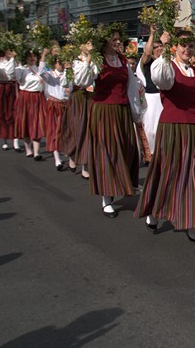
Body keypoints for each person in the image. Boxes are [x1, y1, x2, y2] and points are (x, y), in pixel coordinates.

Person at [136, 29, 195, 245]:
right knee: (168, 172)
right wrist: (163, 52)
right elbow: (160, 80)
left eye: (190, 46)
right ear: (175, 47)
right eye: (183, 45)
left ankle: (193, 224)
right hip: (173, 128)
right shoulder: (168, 67)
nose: (187, 49)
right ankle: (154, 210)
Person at [74, 25, 141, 218]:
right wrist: (88, 56)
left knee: (126, 149)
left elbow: (130, 87)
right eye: (114, 39)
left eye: (119, 39)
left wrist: (136, 112)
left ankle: (123, 184)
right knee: (107, 153)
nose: (119, 42)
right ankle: (106, 198)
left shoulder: (122, 61)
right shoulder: (97, 61)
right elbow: (82, 80)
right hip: (103, 111)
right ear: (105, 42)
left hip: (122, 111)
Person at [62, 43, 95, 179]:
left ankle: (85, 166)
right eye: (87, 43)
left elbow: (95, 77)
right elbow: (67, 81)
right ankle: (72, 155)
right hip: (77, 97)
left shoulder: (94, 60)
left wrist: (90, 59)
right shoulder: (74, 61)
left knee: (88, 130)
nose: (90, 46)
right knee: (76, 129)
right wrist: (68, 69)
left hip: (90, 97)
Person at [135, 25, 166, 160]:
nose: (159, 48)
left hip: (164, 97)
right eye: (156, 47)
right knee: (150, 130)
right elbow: (147, 53)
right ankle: (150, 154)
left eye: (161, 46)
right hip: (151, 98)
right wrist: (152, 33)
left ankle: (162, 154)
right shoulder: (147, 61)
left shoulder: (165, 59)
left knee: (162, 128)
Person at [13, 48, 48, 160]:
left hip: (38, 97)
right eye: (30, 56)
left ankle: (36, 152)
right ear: (26, 58)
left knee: (38, 123)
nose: (32, 58)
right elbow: (17, 78)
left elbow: (46, 84)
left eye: (34, 56)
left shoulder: (40, 69)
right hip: (26, 97)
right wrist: (16, 59)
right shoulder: (22, 69)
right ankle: (28, 149)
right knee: (26, 123)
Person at [42, 53, 71, 171]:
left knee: (67, 131)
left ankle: (67, 152)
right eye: (59, 63)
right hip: (55, 104)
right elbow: (41, 72)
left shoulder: (68, 73)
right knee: (55, 130)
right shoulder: (50, 75)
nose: (62, 65)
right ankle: (57, 158)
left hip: (66, 104)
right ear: (54, 64)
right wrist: (44, 55)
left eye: (63, 63)